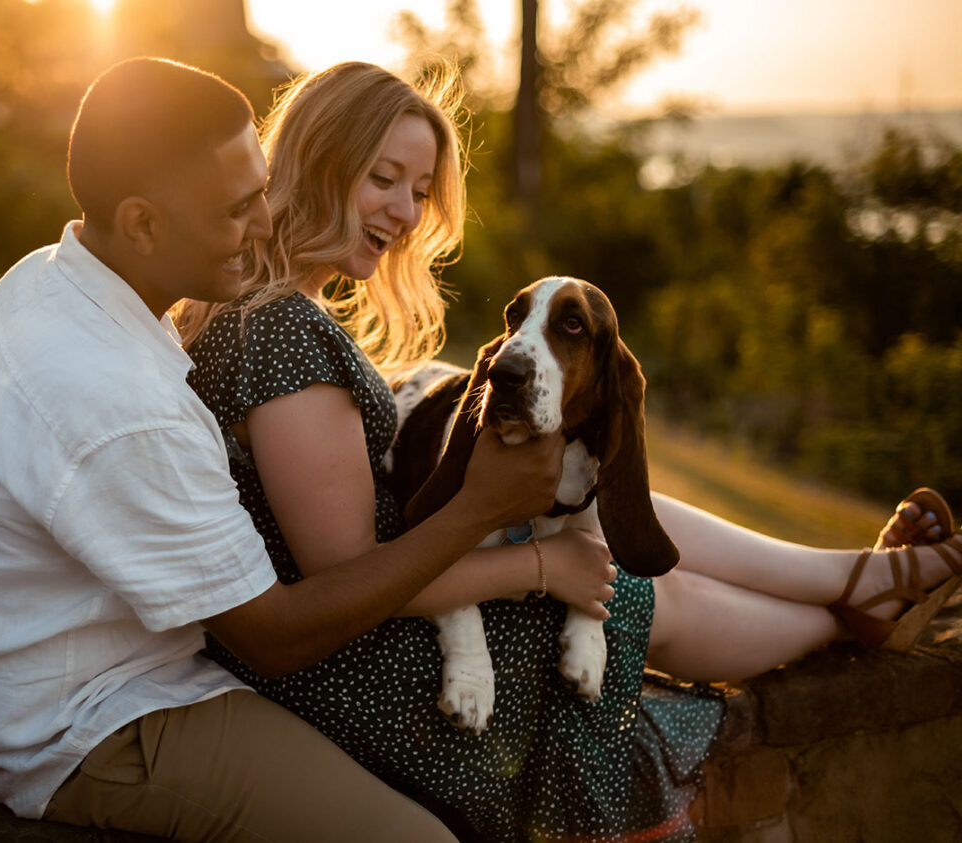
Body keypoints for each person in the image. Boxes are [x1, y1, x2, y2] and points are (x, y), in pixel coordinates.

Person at [174, 60, 962, 843]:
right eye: (386, 179)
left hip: (390, 616)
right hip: (369, 669)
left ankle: (851, 578)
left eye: (419, 192)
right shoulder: (279, 329)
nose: (408, 213)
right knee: (642, 595)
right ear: (321, 162)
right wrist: (540, 567)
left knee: (600, 510)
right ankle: (847, 614)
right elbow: (346, 580)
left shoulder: (274, 313)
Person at [0, 57, 582, 843]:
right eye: (240, 207)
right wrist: (483, 506)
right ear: (142, 223)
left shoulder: (49, 275)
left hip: (34, 665)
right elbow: (277, 637)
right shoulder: (125, 404)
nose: (268, 220)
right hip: (79, 716)